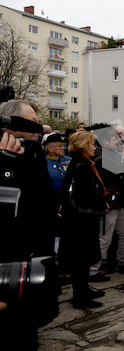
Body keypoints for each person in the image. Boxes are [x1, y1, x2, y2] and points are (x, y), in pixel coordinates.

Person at [0, 101, 58, 350]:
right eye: (32, 120)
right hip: (11, 254)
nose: (38, 125)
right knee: (13, 320)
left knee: (32, 315)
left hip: (37, 247)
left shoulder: (33, 150)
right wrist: (6, 166)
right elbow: (6, 212)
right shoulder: (4, 156)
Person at [60, 131, 108, 309]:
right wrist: (95, 208)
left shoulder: (84, 164)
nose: (94, 148)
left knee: (85, 258)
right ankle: (80, 297)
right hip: (80, 222)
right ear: (83, 146)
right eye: (92, 144)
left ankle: (84, 289)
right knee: (80, 259)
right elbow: (75, 198)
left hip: (84, 219)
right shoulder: (80, 166)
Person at [89, 128, 124, 278]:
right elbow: (122, 169)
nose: (117, 141)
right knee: (105, 239)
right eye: (114, 139)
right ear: (106, 142)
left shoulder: (109, 154)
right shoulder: (102, 157)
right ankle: (92, 270)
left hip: (117, 202)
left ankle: (123, 260)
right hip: (109, 202)